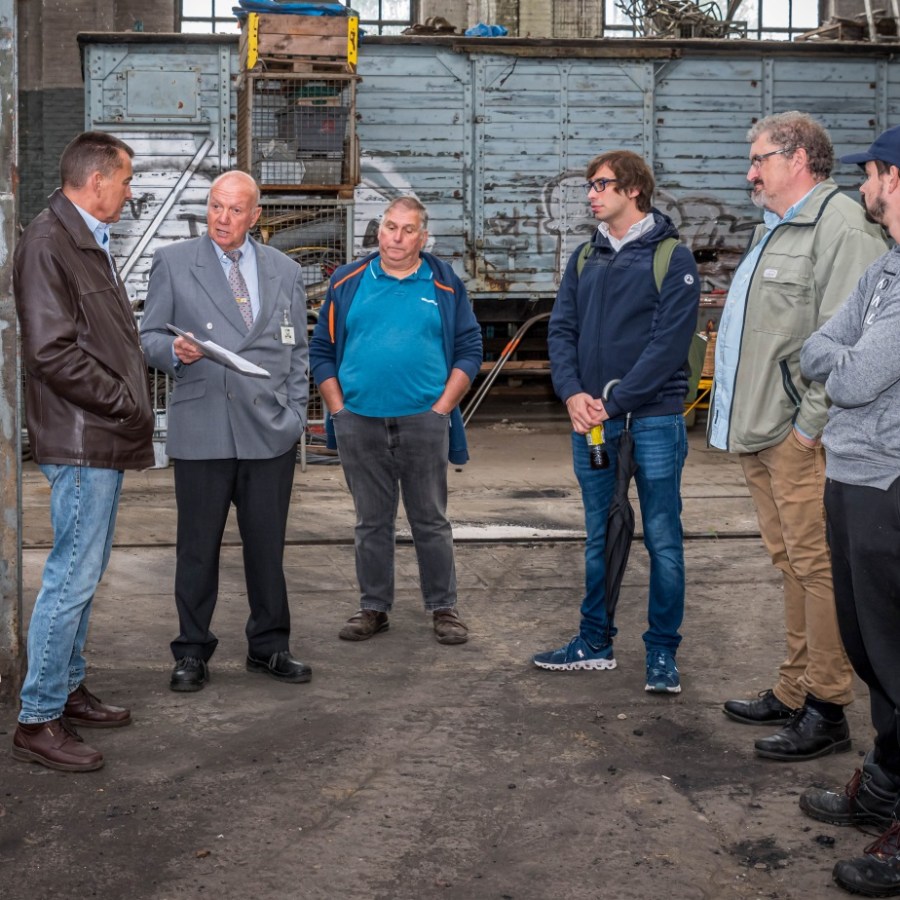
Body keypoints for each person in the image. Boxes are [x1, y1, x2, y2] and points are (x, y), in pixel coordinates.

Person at [712, 112, 887, 761]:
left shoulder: (840, 228)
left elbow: (851, 343)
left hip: (798, 437)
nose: (751, 171)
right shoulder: (779, 229)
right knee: (792, 564)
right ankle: (793, 688)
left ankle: (827, 705)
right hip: (762, 429)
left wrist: (807, 429)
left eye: (760, 158)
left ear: (799, 159)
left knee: (817, 569)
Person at [12, 131, 155, 772]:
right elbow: (50, 352)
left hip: (94, 434)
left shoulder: (79, 238)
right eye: (125, 179)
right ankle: (38, 717)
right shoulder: (49, 242)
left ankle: (67, 687)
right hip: (82, 436)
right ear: (96, 180)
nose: (130, 191)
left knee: (85, 574)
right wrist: (122, 402)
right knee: (71, 577)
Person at [532, 150, 699, 693]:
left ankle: (661, 655)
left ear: (633, 190)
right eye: (590, 185)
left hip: (652, 420)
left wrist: (618, 399)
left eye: (601, 184)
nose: (590, 194)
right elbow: (561, 332)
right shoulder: (586, 257)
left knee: (664, 539)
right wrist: (573, 393)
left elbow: (669, 345)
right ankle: (594, 642)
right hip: (594, 422)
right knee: (601, 534)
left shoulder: (672, 258)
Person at [140, 170, 311, 691]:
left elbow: (298, 351)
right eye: (216, 207)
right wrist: (175, 352)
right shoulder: (173, 262)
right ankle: (192, 651)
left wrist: (296, 417)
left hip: (268, 431)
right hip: (204, 426)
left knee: (267, 548)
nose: (223, 218)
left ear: (256, 216)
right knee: (197, 549)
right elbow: (148, 336)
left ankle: (270, 646)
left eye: (236, 210)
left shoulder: (285, 270)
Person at [798, 125, 900, 898]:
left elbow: (857, 374)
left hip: (889, 482)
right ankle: (888, 788)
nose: (863, 187)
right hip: (854, 471)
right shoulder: (885, 270)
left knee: (895, 654)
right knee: (872, 651)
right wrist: (840, 355)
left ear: (891, 179)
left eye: (869, 174)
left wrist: (841, 356)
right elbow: (818, 348)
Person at [308, 196, 482, 645]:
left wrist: (442, 407)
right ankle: (373, 608)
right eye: (390, 227)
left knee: (430, 520)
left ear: (423, 238)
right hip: (359, 421)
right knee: (371, 521)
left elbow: (469, 346)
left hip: (424, 421)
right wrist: (339, 410)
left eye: (408, 230)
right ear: (378, 231)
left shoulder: (444, 284)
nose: (397, 238)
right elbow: (321, 350)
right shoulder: (347, 282)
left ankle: (444, 608)